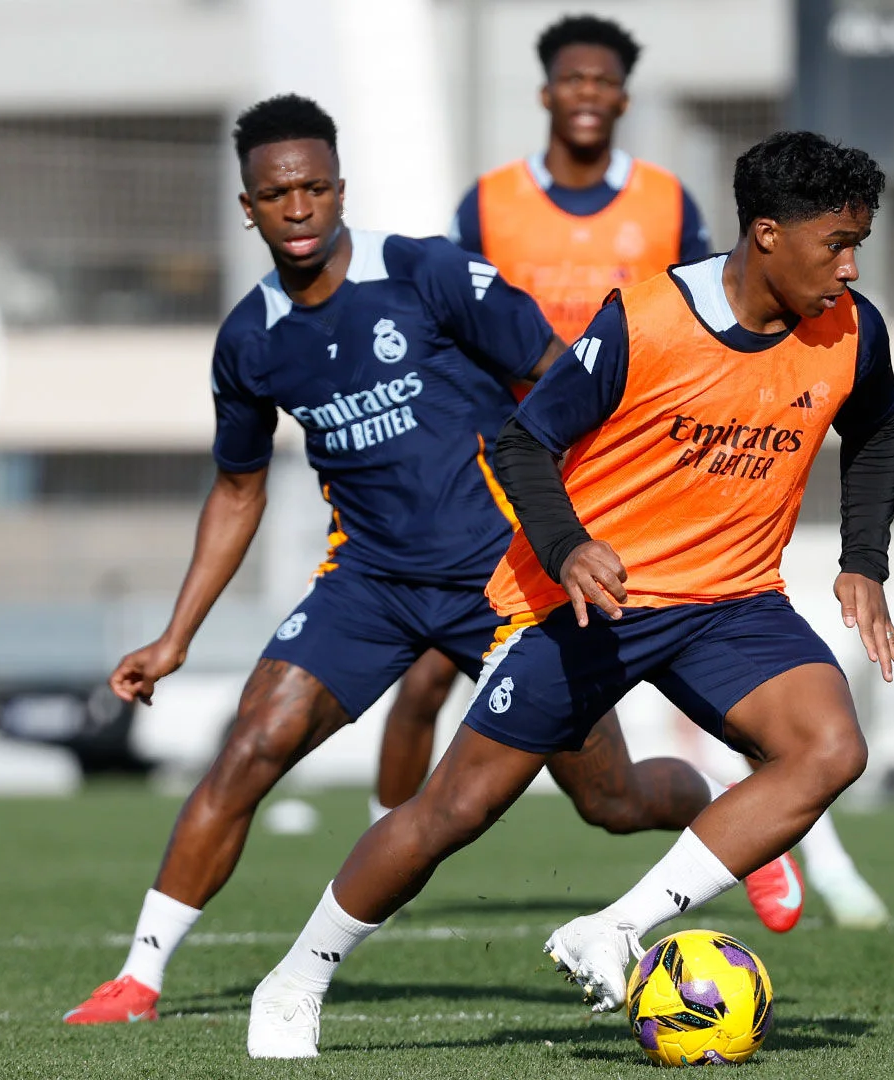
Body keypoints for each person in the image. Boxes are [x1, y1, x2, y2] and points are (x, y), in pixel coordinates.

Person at [62, 94, 792, 1026]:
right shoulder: (250, 340)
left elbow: (565, 381)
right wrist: (174, 637)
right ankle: (140, 978)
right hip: (367, 585)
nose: (298, 208)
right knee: (251, 745)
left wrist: (588, 530)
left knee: (609, 799)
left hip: (504, 585)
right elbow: (238, 490)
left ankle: (739, 818)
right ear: (247, 205)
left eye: (316, 188)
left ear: (338, 189)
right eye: (276, 194)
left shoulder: (426, 273)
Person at [246, 130, 894, 1059]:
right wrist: (566, 550)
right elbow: (522, 442)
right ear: (766, 234)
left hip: (731, 604)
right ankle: (296, 978)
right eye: (835, 244)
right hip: (591, 602)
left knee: (830, 747)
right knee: (453, 815)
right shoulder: (645, 319)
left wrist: (863, 561)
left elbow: (876, 427)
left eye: (857, 247)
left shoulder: (852, 329)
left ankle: (616, 927)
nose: (848, 267)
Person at [387, 11, 889, 931]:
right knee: (478, 714)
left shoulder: (663, 202)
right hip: (528, 479)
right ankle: (382, 866)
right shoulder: (490, 203)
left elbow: (718, 316)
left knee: (792, 734)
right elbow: (460, 323)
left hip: (649, 493)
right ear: (546, 94)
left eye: (603, 81)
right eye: (570, 80)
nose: (587, 96)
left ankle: (811, 855)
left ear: (622, 96)